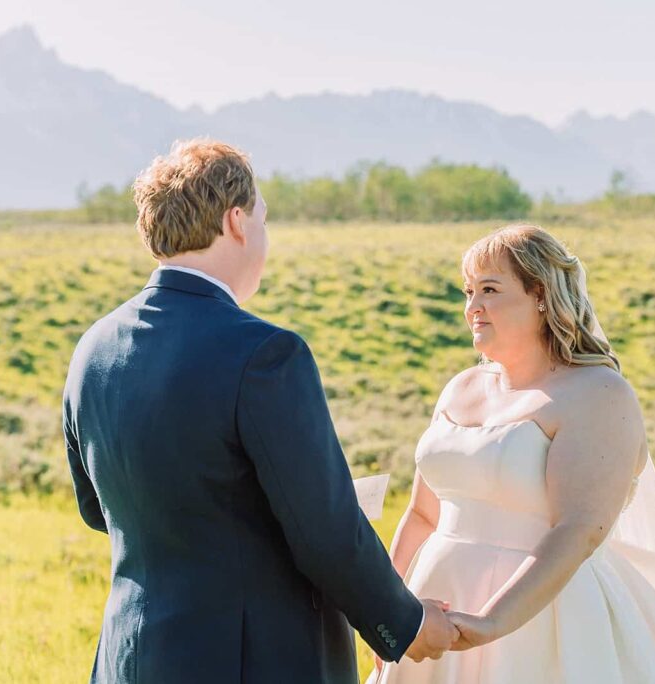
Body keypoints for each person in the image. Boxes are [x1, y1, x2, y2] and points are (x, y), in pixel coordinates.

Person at [63, 138, 458, 684]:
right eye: (264, 221)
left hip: (130, 655)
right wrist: (408, 625)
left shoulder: (93, 348)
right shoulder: (266, 354)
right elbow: (325, 532)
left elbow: (96, 509)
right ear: (237, 221)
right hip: (257, 658)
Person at [370, 225, 655, 683]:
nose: (472, 307)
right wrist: (390, 613)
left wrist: (493, 621)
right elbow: (421, 514)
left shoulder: (597, 394)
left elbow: (578, 530)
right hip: (438, 608)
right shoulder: (461, 388)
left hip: (545, 618)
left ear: (541, 295)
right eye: (468, 291)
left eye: (490, 290)